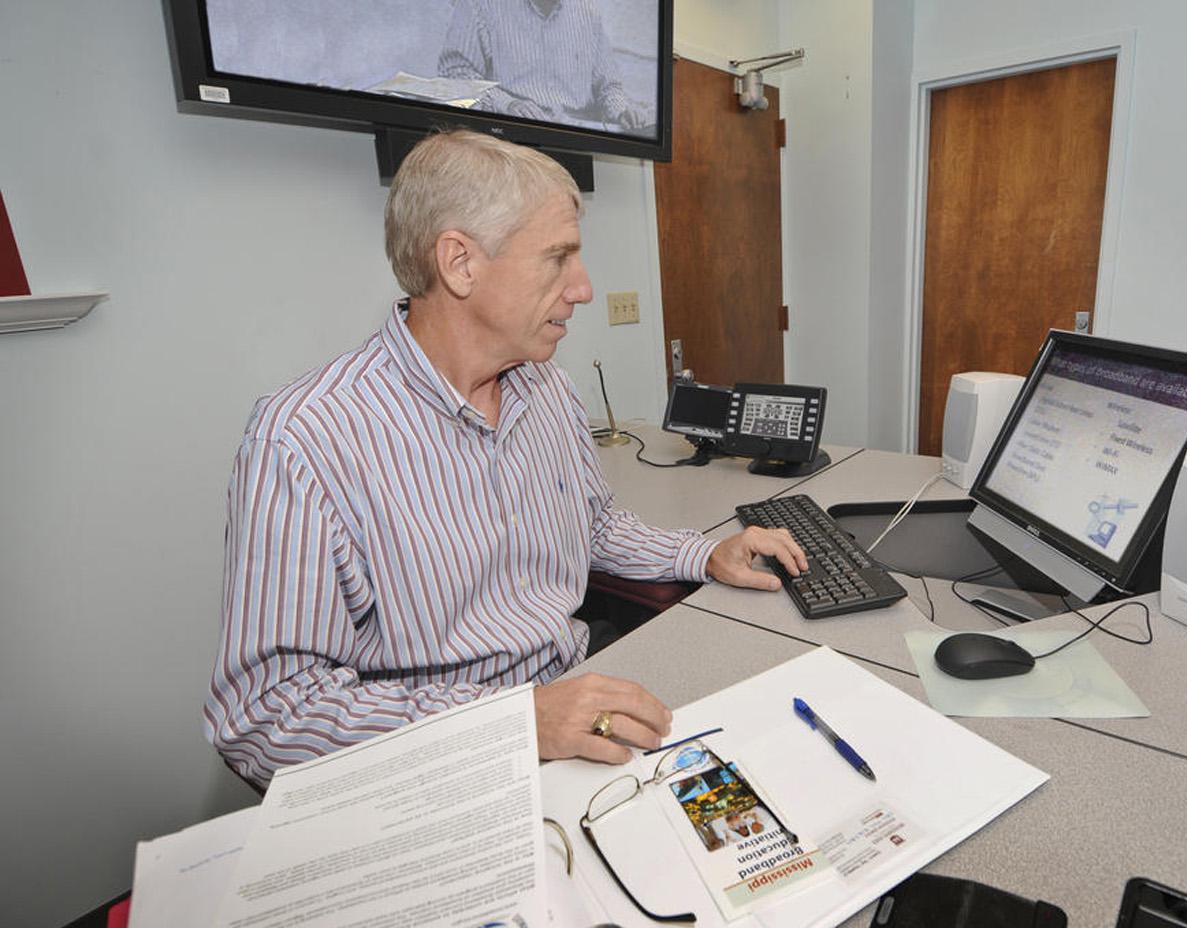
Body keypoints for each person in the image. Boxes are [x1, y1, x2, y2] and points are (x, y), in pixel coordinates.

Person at [203, 129, 805, 789]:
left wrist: (701, 555)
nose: (583, 287)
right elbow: (265, 716)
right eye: (558, 258)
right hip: (441, 766)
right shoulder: (305, 440)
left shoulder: (547, 388)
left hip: (571, 694)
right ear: (460, 263)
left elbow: (594, 525)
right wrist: (513, 722)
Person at [437, 0, 653, 131]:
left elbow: (609, 87)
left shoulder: (588, 13)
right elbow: (455, 74)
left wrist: (622, 110)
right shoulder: (481, 5)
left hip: (576, 140)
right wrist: (506, 104)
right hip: (508, 139)